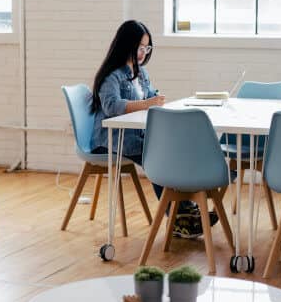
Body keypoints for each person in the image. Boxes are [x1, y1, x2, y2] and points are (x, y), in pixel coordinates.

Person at [90, 20, 216, 238]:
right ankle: (178, 216)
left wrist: (155, 100)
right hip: (112, 140)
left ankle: (185, 212)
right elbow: (112, 107)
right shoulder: (112, 75)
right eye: (140, 47)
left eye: (147, 48)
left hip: (137, 136)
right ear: (126, 44)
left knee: (172, 149)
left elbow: (148, 98)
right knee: (159, 157)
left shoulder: (142, 74)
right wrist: (148, 103)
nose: (143, 52)